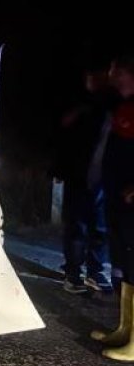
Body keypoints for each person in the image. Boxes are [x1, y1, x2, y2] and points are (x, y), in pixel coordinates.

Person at [53, 62, 114, 293]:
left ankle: (95, 272)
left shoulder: (112, 103)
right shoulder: (78, 103)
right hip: (78, 175)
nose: (96, 79)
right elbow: (62, 135)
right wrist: (59, 169)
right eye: (92, 75)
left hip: (103, 177)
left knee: (100, 227)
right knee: (77, 226)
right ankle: (73, 273)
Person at [92, 53, 134, 362]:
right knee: (125, 261)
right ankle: (125, 329)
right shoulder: (119, 104)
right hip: (117, 194)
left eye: (116, 71)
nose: (112, 76)